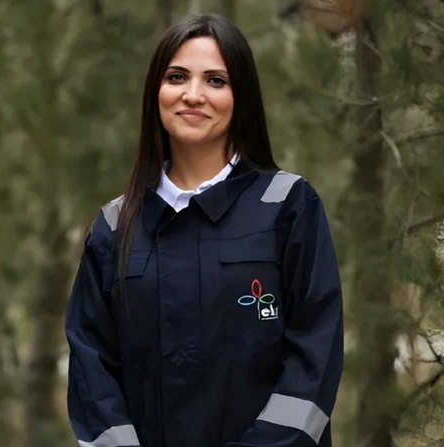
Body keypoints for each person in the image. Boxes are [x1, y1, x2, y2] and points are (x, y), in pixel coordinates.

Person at [64, 13, 344, 447]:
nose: (193, 95)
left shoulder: (287, 207)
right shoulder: (114, 228)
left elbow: (315, 358)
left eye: (216, 80)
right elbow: (91, 372)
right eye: (177, 77)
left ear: (241, 96)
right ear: (155, 92)